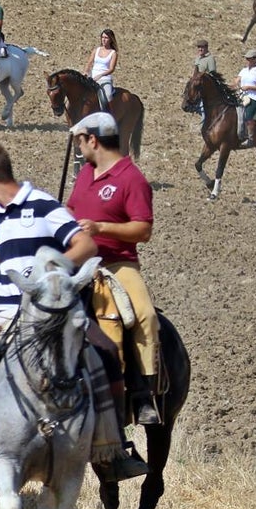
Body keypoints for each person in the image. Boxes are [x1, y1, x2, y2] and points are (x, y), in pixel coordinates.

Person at [0, 138, 149, 491]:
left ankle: (113, 448)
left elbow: (86, 244)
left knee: (107, 353)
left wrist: (53, 271)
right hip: (3, 308)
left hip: (51, 308)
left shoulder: (43, 205)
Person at [66, 112, 161, 427]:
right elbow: (72, 208)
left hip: (116, 263)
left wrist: (101, 227)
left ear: (93, 140)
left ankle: (144, 392)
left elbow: (143, 230)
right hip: (78, 260)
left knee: (144, 314)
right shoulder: (85, 175)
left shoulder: (132, 179)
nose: (79, 148)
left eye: (81, 142)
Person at [236, 48, 256, 147]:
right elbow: (236, 80)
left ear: (255, 60)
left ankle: (250, 138)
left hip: (253, 97)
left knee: (248, 116)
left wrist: (249, 87)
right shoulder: (243, 70)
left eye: (249, 59)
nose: (247, 61)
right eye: (246, 59)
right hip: (242, 96)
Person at [85, 29, 118, 107]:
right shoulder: (96, 50)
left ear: (110, 39)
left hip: (105, 79)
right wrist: (86, 71)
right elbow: (89, 63)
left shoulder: (113, 53)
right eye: (102, 37)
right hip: (92, 77)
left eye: (106, 38)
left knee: (108, 96)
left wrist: (100, 75)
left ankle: (107, 114)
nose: (103, 39)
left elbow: (111, 69)